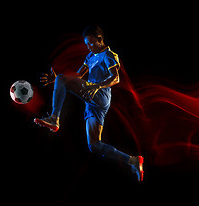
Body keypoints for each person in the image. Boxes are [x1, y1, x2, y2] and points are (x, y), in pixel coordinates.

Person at [34, 25, 144, 181]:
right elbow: (78, 75)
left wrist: (97, 85)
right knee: (94, 145)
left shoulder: (109, 55)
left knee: (62, 80)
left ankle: (54, 118)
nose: (88, 47)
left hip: (100, 95)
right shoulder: (90, 57)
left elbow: (116, 78)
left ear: (100, 39)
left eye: (91, 43)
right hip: (92, 103)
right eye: (86, 44)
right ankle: (133, 160)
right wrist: (57, 79)